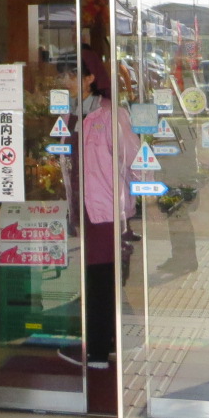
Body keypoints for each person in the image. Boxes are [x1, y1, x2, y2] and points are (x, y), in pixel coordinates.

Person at [60, 45, 139, 369]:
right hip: (84, 210)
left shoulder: (111, 114)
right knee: (95, 276)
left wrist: (142, 195)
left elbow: (133, 158)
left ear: (90, 77)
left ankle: (97, 354)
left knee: (101, 277)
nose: (65, 81)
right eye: (63, 75)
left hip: (106, 210)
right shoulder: (71, 114)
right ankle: (103, 344)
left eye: (71, 75)